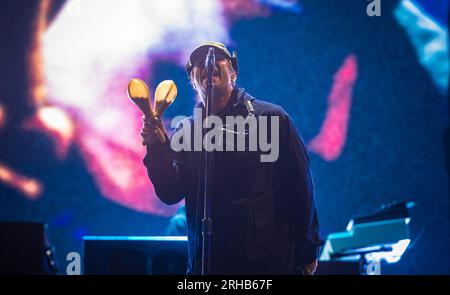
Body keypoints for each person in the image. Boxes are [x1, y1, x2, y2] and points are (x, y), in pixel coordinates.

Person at [142, 42, 323, 275]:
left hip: (267, 267)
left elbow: (300, 188)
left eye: (218, 58)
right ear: (193, 79)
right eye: (198, 63)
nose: (208, 63)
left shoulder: (271, 119)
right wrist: (157, 148)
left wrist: (307, 251)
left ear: (234, 73)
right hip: (207, 268)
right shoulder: (186, 131)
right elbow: (170, 193)